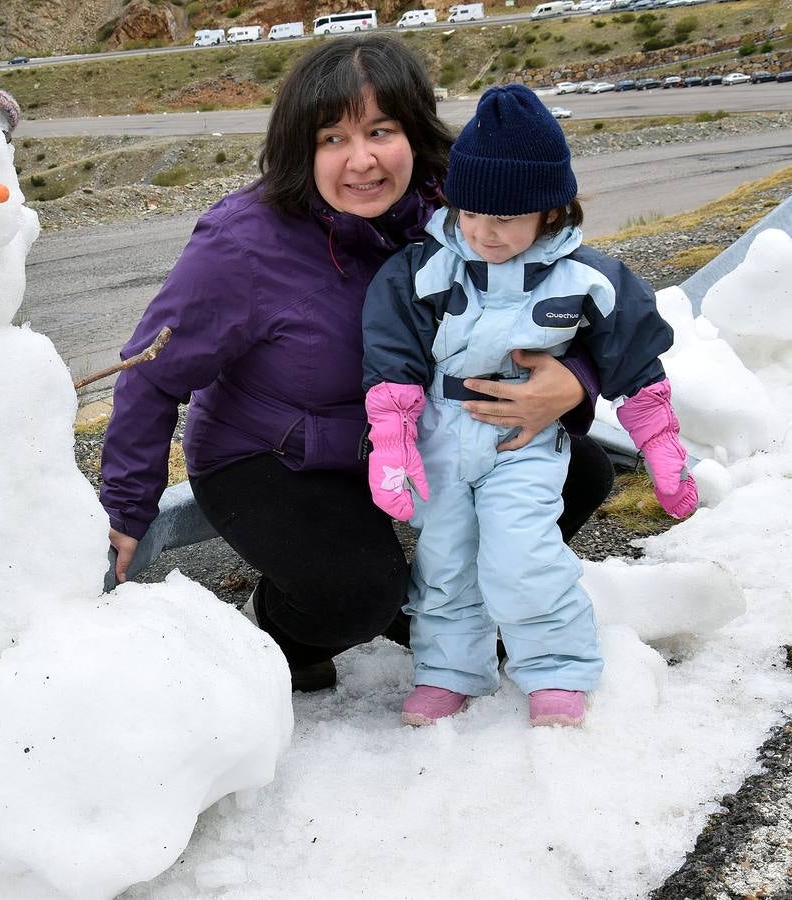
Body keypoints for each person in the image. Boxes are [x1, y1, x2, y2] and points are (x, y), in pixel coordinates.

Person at [100, 36, 615, 693]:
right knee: (353, 593)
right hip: (272, 454)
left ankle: (434, 605)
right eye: (331, 139)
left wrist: (572, 382)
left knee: (581, 472)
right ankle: (274, 633)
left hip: (407, 436)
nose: (360, 160)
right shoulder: (241, 245)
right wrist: (126, 506)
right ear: (299, 147)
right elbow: (150, 372)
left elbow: (570, 305)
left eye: (380, 130)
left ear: (416, 131)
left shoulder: (457, 211)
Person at [362, 83, 698, 728]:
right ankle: (449, 671)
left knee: (523, 553)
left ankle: (556, 667)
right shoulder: (422, 269)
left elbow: (633, 355)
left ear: (549, 211)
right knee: (445, 558)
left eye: (507, 220)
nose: (486, 234)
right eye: (472, 216)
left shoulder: (588, 278)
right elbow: (392, 352)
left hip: (524, 443)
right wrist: (395, 441)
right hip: (440, 437)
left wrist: (659, 445)